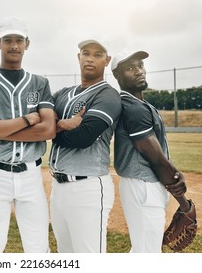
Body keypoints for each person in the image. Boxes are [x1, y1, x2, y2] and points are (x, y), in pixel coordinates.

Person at [0, 16, 56, 253]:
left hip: (31, 174)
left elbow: (47, 129)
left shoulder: (39, 83)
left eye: (19, 40)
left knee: (38, 247)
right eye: (8, 40)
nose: (13, 45)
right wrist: (26, 121)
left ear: (27, 44)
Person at [111, 50, 196, 252]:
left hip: (146, 185)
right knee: (147, 255)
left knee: (143, 251)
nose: (139, 71)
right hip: (143, 186)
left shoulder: (140, 104)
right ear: (117, 75)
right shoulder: (133, 107)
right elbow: (156, 160)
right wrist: (184, 204)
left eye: (140, 65)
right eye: (130, 68)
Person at [48, 39, 122, 253]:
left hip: (88, 187)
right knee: (66, 255)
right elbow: (39, 121)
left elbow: (83, 137)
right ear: (78, 57)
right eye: (85, 53)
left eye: (98, 54)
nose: (90, 58)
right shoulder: (63, 93)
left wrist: (50, 129)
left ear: (107, 60)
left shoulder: (108, 95)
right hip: (58, 187)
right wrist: (64, 124)